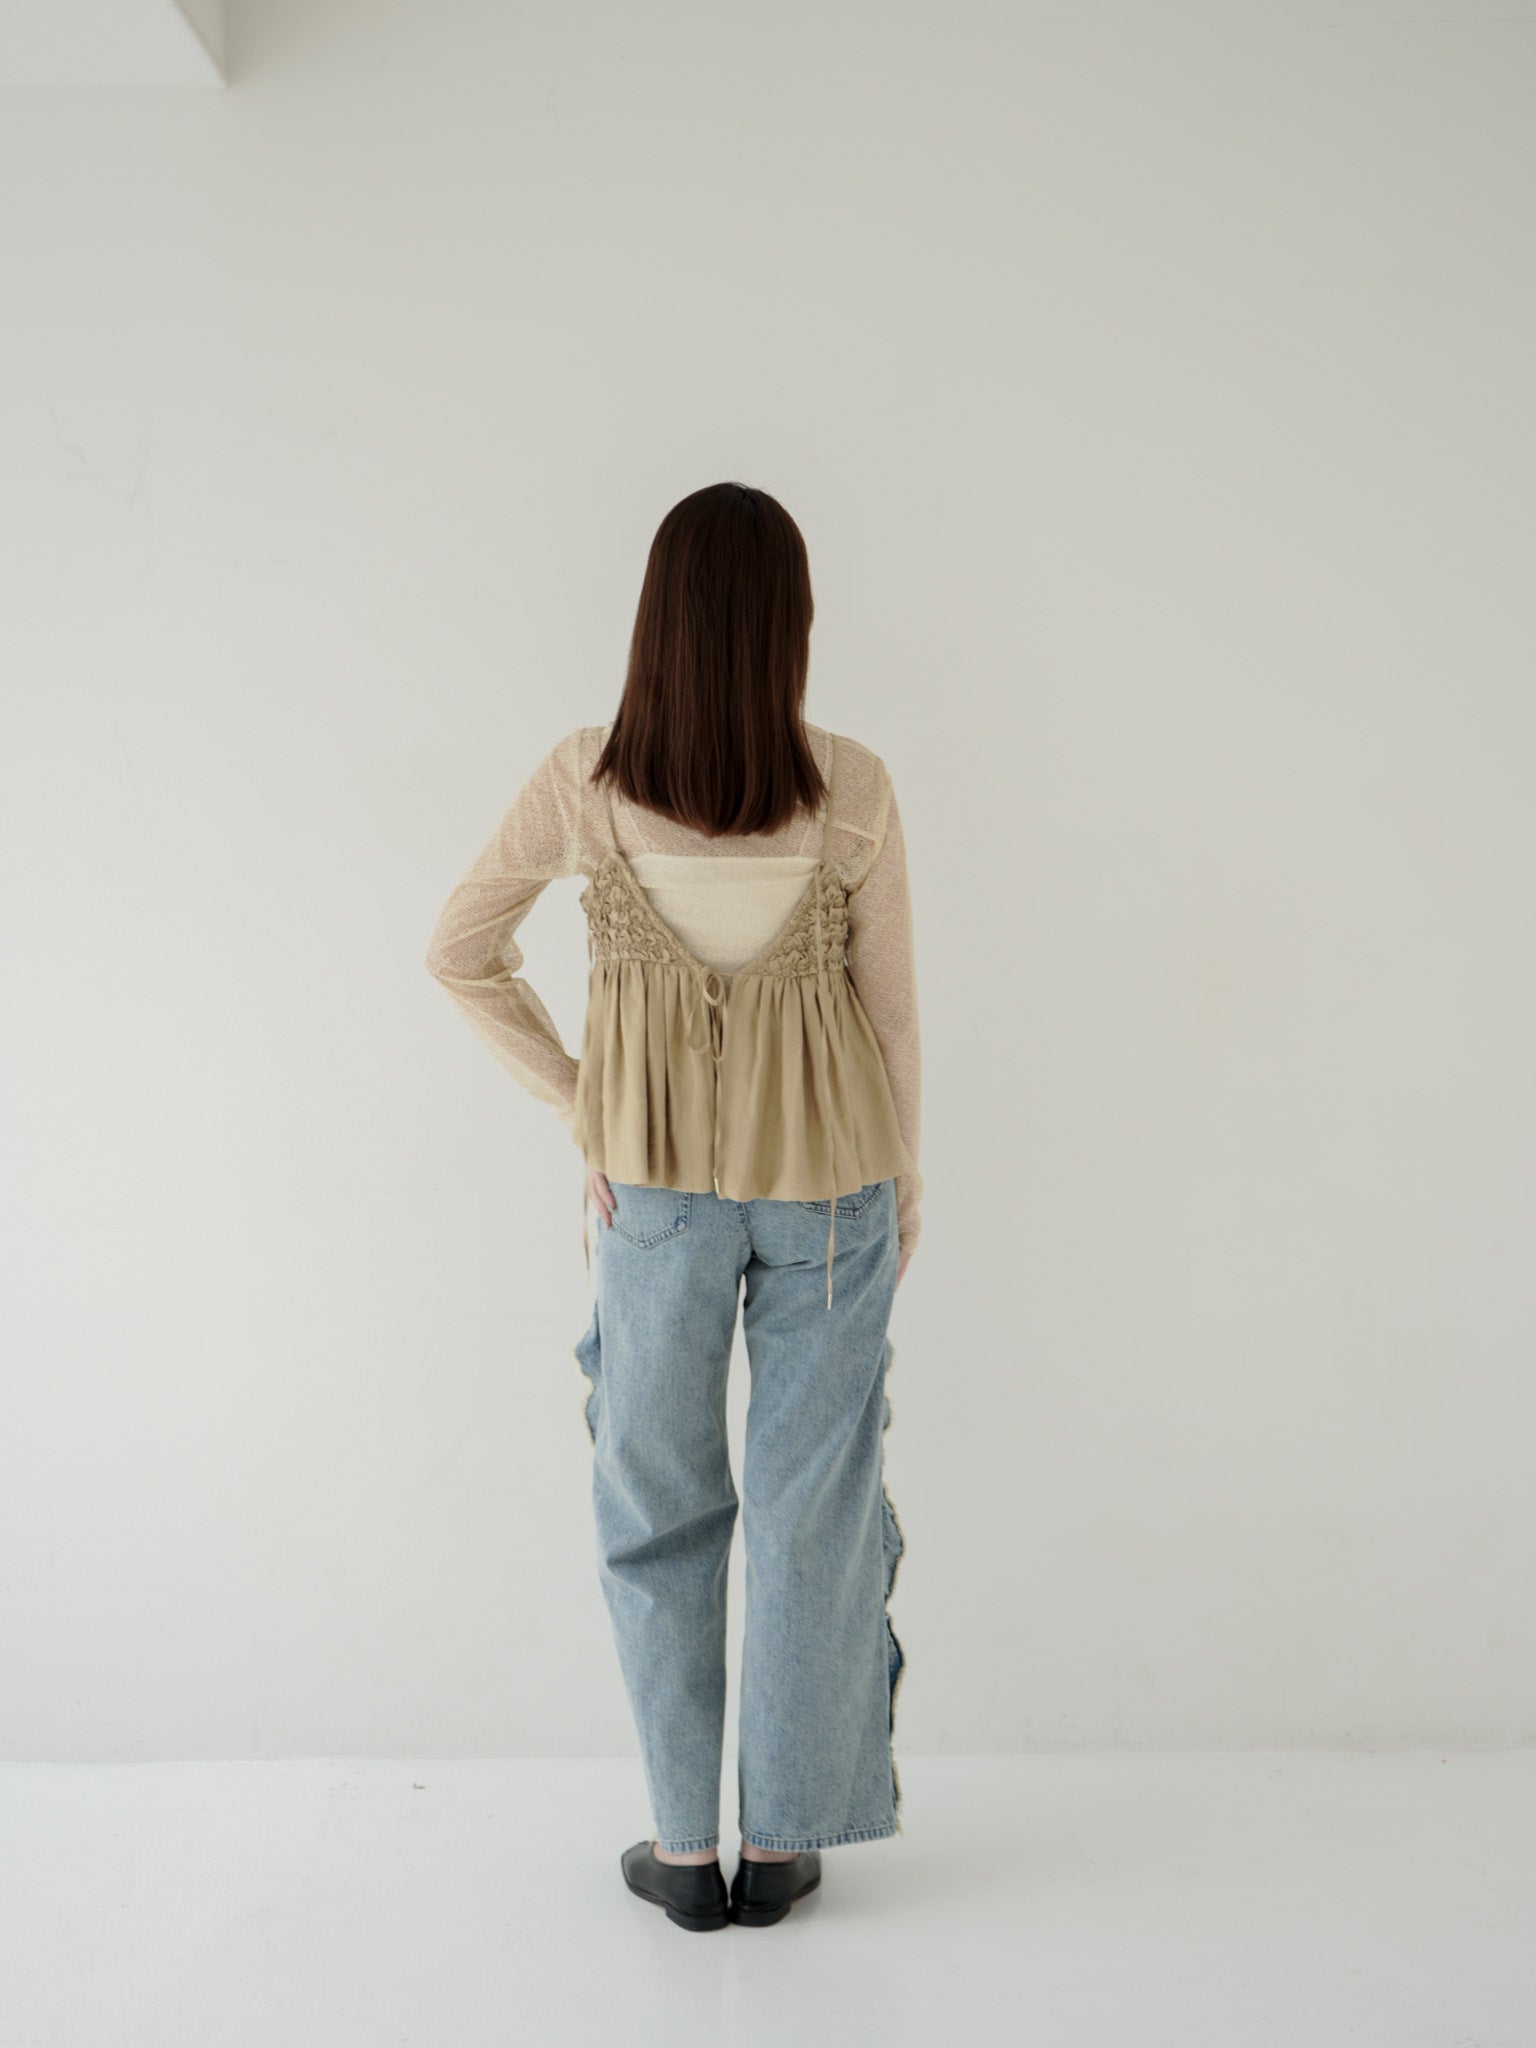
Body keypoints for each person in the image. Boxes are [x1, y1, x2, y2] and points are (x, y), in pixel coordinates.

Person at [424, 482, 922, 1932]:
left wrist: (584, 1104)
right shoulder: (852, 788)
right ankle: (784, 1842)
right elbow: (893, 1017)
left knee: (657, 1503)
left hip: (651, 1194)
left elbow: (459, 950)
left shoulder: (586, 781)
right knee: (814, 1511)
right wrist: (906, 1189)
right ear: (792, 626)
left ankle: (684, 1854)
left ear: (656, 623)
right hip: (833, 1189)